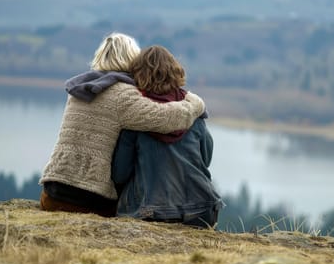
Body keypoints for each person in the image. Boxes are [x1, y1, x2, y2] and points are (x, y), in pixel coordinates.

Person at [39, 33, 206, 217]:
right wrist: (194, 103)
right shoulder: (123, 95)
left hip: (51, 194)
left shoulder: (80, 89)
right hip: (86, 199)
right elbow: (167, 119)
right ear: (131, 59)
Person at [112, 45, 223, 228]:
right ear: (175, 72)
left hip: (150, 212)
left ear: (137, 75)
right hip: (203, 209)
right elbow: (205, 160)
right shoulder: (193, 113)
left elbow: (119, 174)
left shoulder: (136, 118)